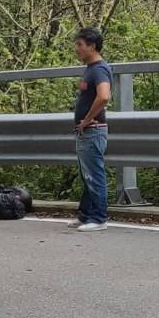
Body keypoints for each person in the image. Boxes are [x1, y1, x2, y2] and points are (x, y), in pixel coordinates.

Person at [72, 27, 112, 232]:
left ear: (92, 46)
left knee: (94, 175)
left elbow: (104, 96)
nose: (76, 49)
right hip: (87, 131)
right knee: (87, 175)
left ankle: (99, 218)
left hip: (93, 131)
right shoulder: (91, 68)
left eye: (80, 45)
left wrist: (87, 119)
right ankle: (86, 215)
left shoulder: (99, 69)